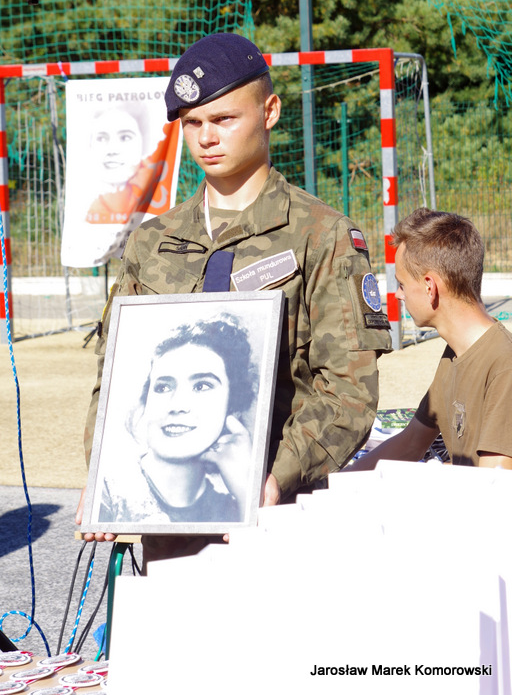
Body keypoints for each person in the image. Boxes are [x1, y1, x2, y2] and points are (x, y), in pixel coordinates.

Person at [76, 32, 392, 562]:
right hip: (168, 524)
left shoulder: (321, 236)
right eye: (192, 123)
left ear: (269, 112)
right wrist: (106, 475)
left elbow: (348, 393)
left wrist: (272, 478)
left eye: (224, 119)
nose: (206, 138)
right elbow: (115, 382)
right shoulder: (151, 243)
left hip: (280, 521)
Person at [349, 207, 512, 472]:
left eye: (402, 284)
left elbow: (494, 482)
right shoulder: (456, 352)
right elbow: (411, 442)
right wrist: (335, 483)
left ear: (429, 287)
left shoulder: (504, 365)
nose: (399, 295)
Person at [98, 315, 256, 524]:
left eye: (201, 386)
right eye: (163, 387)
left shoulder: (233, 507)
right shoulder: (108, 495)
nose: (177, 405)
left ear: (233, 404)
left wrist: (246, 491)